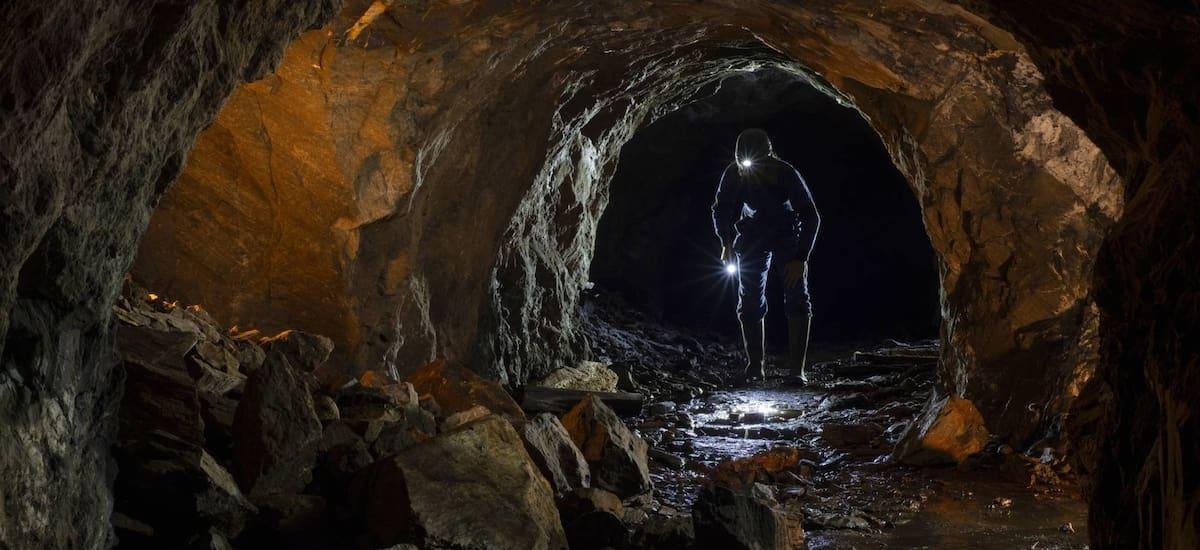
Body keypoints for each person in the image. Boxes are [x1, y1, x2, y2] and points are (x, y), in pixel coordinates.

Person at [712, 128, 820, 383]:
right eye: (745, 164)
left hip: (785, 231)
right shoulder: (733, 173)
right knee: (749, 297)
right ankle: (755, 366)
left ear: (768, 156)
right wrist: (726, 243)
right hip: (752, 233)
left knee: (796, 295)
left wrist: (800, 258)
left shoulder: (785, 172)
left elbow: (811, 215)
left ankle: (797, 371)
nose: (751, 170)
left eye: (757, 163)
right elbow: (722, 209)